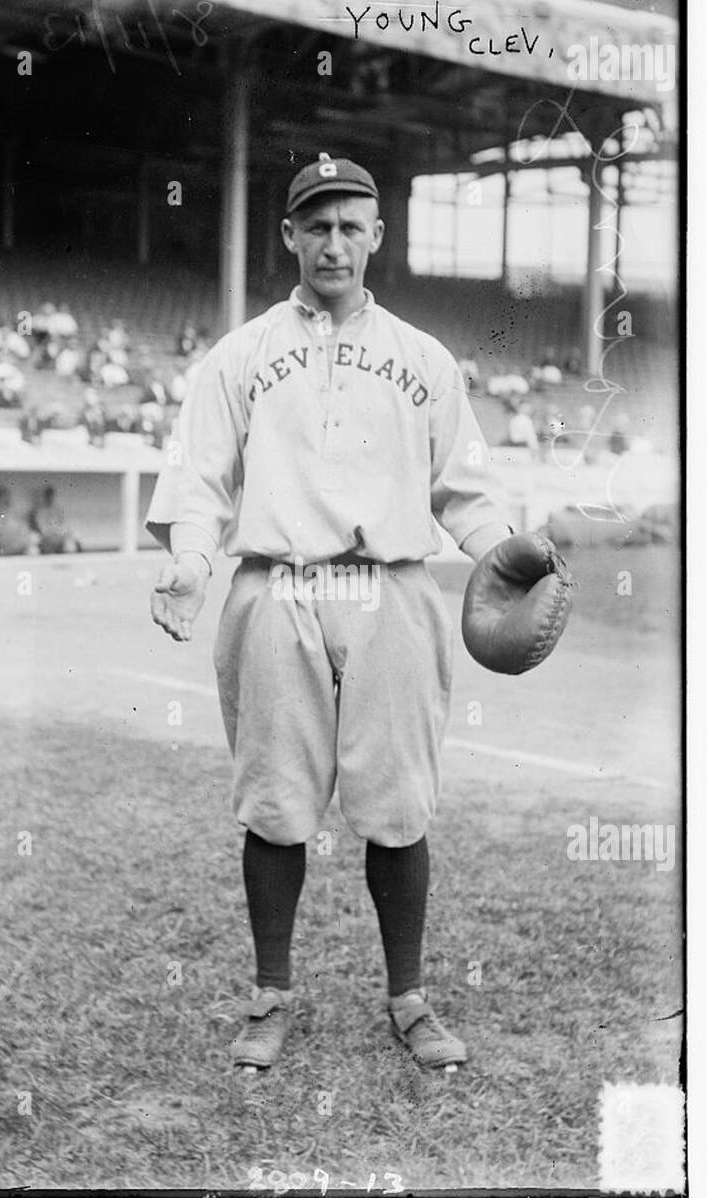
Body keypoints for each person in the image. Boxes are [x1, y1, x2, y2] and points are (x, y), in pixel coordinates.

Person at [147, 153, 513, 1073]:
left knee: (397, 804)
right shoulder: (240, 355)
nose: (334, 243)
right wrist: (191, 560)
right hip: (278, 586)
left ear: (377, 237)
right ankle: (270, 998)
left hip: (391, 587)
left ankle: (411, 1000)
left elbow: (466, 491)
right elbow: (197, 481)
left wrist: (504, 552)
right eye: (317, 225)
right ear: (290, 236)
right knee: (276, 802)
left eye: (352, 226)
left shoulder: (425, 359)